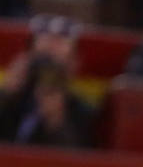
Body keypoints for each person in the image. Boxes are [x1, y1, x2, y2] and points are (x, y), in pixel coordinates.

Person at [0, 15, 95, 147]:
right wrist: (6, 95)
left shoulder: (82, 114)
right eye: (42, 60)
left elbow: (80, 161)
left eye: (55, 66)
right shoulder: (11, 100)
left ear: (73, 65)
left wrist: (55, 121)